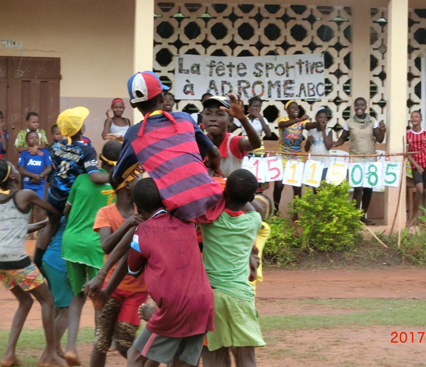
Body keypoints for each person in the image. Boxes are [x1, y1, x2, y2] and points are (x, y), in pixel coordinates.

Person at [125, 178, 215, 367]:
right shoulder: (186, 221)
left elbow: (132, 269)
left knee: (135, 356)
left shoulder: (143, 231)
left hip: (175, 307)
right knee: (177, 363)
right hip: (203, 302)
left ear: (136, 207)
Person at [113, 71, 223, 223]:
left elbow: (118, 176)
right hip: (213, 199)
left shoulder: (134, 134)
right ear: (161, 98)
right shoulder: (185, 118)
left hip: (179, 212)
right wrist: (215, 169)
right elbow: (214, 154)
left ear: (132, 104)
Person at [59, 140, 121, 366]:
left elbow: (67, 210)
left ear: (101, 159)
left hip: (71, 242)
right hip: (96, 245)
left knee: (77, 296)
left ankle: (71, 348)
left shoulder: (81, 179)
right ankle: (100, 348)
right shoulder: (116, 186)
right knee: (99, 298)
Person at [0, 160, 66, 367]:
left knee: (25, 301)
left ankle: (9, 354)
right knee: (48, 300)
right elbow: (53, 210)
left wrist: (41, 224)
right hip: (16, 259)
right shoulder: (25, 195)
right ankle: (51, 355)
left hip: (1, 261)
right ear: (12, 176)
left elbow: (15, 227)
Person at [201, 169, 265, 367]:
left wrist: (223, 187)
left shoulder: (209, 221)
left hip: (212, 296)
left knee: (215, 360)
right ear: (250, 198)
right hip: (240, 297)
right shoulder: (254, 221)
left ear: (224, 193)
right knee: (247, 360)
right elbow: (255, 208)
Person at [88, 173, 150, 367]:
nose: (142, 179)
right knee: (101, 342)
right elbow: (107, 246)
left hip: (137, 290)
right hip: (110, 287)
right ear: (127, 184)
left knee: (124, 342)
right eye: (138, 177)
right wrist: (129, 223)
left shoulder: (142, 212)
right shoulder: (106, 212)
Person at [34, 106, 110, 269]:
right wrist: (116, 177)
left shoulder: (58, 145)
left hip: (54, 194)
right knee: (72, 227)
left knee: (50, 225)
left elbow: (55, 163)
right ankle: (68, 264)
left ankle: (38, 262)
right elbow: (95, 176)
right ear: (80, 128)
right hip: (71, 199)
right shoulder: (86, 150)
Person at [334, 97, 386, 225]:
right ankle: (355, 217)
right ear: (354, 107)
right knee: (358, 188)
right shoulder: (349, 122)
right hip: (355, 158)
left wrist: (382, 130)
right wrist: (336, 144)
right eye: (357, 105)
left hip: (370, 158)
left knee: (368, 188)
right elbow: (343, 138)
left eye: (362, 105)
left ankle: (363, 217)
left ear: (366, 107)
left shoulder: (372, 121)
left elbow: (379, 139)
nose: (359, 107)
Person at [204, 95, 261, 177]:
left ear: (230, 120)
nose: (213, 118)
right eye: (208, 113)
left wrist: (242, 119)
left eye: (220, 114)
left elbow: (255, 144)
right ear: (202, 117)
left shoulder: (234, 142)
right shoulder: (197, 142)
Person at [41, 217, 71, 358]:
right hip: (60, 263)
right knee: (67, 311)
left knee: (57, 307)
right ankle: (48, 354)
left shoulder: (63, 214)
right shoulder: (83, 215)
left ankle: (56, 350)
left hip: (49, 259)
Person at [273, 100, 309, 213]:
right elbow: (281, 125)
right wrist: (299, 119)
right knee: (279, 185)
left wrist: (320, 122)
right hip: (282, 157)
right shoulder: (282, 120)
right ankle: (275, 211)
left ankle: (295, 214)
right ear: (287, 110)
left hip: (296, 158)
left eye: (297, 107)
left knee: (297, 187)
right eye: (293, 107)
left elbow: (309, 125)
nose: (296, 109)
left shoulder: (301, 123)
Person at [18, 131, 53, 227]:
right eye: (31, 137)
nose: (34, 139)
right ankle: (29, 229)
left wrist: (40, 176)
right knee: (28, 207)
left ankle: (38, 229)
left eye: (36, 137)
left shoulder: (44, 153)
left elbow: (49, 167)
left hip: (40, 184)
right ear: (26, 141)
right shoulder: (24, 154)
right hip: (28, 184)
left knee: (39, 206)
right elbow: (21, 169)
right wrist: (33, 176)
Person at [305, 107, 336, 182]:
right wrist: (309, 141)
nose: (323, 120)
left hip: (325, 165)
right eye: (320, 117)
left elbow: (328, 147)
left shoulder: (329, 131)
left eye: (325, 118)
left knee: (323, 186)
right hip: (314, 164)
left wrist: (323, 131)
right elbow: (306, 149)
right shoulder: (311, 131)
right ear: (316, 118)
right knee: (315, 187)